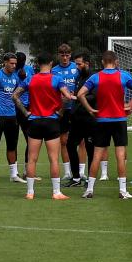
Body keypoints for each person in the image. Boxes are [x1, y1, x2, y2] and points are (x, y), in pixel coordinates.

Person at [76, 50, 132, 200]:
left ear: (103, 62)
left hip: (102, 121)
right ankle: (122, 191)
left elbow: (79, 95)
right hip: (119, 120)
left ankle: (89, 190)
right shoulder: (123, 75)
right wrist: (130, 106)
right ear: (116, 61)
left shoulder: (95, 77)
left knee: (97, 155)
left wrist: (90, 109)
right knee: (120, 155)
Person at [14, 52, 72, 200]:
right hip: (52, 121)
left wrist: (26, 113)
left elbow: (14, 96)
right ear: (51, 63)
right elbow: (67, 97)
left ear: (38, 64)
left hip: (34, 121)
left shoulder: (31, 79)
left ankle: (30, 192)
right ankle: (56, 192)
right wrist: (60, 112)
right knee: (53, 158)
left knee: (32, 158)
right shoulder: (57, 79)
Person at [0, 53, 25, 184]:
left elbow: (19, 93)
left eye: (15, 63)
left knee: (12, 145)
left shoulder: (15, 77)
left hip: (12, 116)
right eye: (11, 63)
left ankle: (14, 175)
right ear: (5, 63)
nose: (14, 66)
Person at [66, 51, 98, 186]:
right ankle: (76, 178)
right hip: (77, 119)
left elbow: (95, 96)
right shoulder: (79, 77)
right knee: (70, 145)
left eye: (79, 64)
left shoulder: (94, 77)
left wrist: (78, 97)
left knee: (91, 149)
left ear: (87, 64)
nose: (77, 67)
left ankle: (90, 180)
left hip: (89, 119)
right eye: (76, 64)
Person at [51, 43, 81, 181]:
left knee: (81, 141)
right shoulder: (54, 70)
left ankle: (81, 171)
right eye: (62, 55)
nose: (64, 58)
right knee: (63, 141)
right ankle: (68, 171)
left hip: (76, 108)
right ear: (58, 55)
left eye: (67, 55)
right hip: (62, 109)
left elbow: (83, 84)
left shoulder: (76, 68)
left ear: (70, 55)